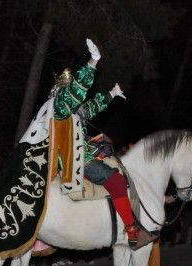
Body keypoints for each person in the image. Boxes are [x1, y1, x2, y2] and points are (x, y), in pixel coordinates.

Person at [51, 39, 154, 250]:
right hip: (77, 162)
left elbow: (92, 106)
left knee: (116, 160)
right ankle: (131, 230)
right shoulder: (61, 105)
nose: (73, 92)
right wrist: (93, 62)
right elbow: (78, 91)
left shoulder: (73, 110)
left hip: (86, 154)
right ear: (62, 89)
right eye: (69, 88)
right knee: (116, 181)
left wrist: (112, 94)